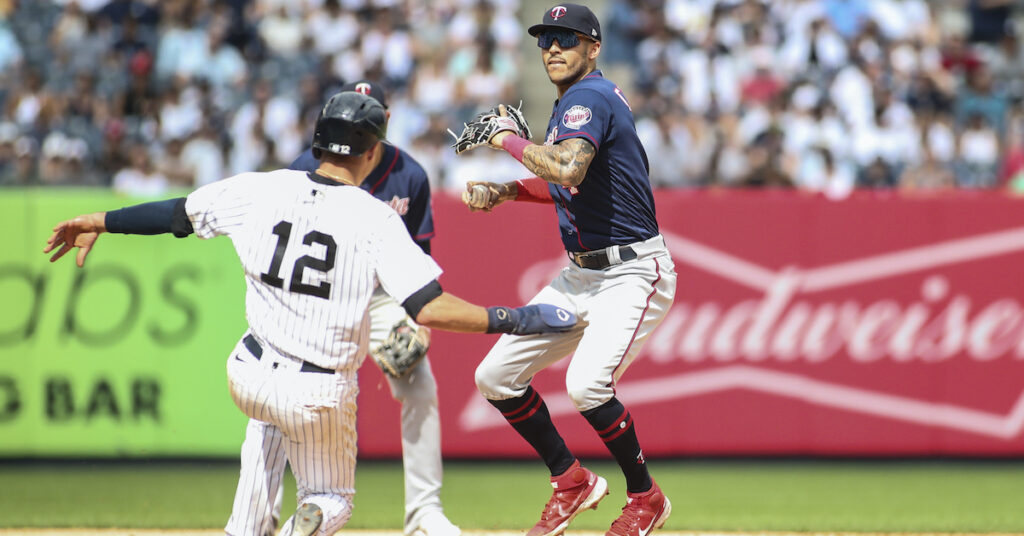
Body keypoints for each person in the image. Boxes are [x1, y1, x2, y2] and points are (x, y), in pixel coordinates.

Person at [43, 91, 577, 536]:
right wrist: (516, 319)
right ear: (372, 154)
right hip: (318, 390)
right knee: (331, 499)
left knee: (264, 442)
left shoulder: (260, 187)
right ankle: (310, 519)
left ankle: (247, 527)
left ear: (317, 140)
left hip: (248, 371)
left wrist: (100, 219)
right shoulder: (373, 218)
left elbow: (174, 214)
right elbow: (429, 307)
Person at [454, 4, 677, 536]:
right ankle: (571, 481)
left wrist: (504, 141)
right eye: (545, 38)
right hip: (581, 276)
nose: (553, 48)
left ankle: (646, 499)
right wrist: (508, 190)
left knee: (587, 385)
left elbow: (567, 166)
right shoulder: (574, 105)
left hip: (631, 272)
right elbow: (570, 181)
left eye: (567, 39)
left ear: (593, 48)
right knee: (495, 376)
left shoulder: (588, 96)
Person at [225, 80, 460, 536]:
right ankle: (263, 514)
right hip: (321, 297)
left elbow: (419, 258)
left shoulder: (408, 173)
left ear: (386, 120)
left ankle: (424, 512)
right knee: (274, 393)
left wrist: (417, 322)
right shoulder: (304, 168)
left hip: (382, 296)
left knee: (419, 384)